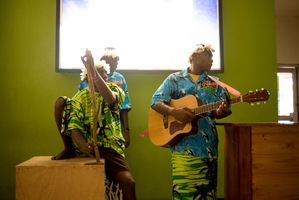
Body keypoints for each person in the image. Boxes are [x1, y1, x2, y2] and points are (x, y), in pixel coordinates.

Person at [150, 44, 231, 200]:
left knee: (207, 195)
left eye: (212, 56)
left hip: (208, 148)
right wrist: (174, 112)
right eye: (208, 55)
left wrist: (221, 112)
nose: (212, 59)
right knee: (183, 194)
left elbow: (219, 112)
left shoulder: (215, 83)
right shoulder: (174, 79)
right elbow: (155, 101)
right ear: (195, 56)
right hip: (182, 148)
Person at [52, 51, 136, 200]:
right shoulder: (80, 97)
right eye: (99, 73)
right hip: (89, 148)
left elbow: (111, 99)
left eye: (104, 73)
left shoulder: (115, 89)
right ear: (87, 77)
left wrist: (94, 72)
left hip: (110, 148)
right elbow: (74, 126)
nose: (104, 75)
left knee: (128, 182)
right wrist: (83, 145)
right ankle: (68, 149)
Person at [79, 47, 131, 148]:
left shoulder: (119, 79)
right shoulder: (87, 78)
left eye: (117, 61)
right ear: (104, 60)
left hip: (113, 129)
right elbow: (79, 105)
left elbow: (124, 106)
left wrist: (126, 131)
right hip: (90, 127)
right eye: (113, 60)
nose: (116, 63)